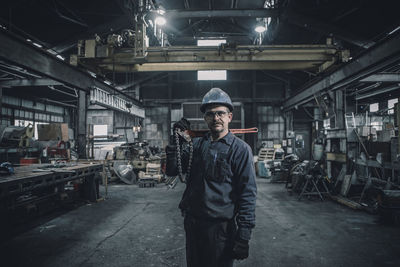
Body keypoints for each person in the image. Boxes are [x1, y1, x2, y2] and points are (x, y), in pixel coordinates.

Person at [166, 88, 257, 267]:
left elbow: (247, 194)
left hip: (220, 229)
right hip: (193, 224)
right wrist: (174, 140)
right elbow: (172, 170)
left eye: (220, 113)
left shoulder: (240, 150)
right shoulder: (197, 146)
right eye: (210, 114)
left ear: (229, 116)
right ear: (205, 118)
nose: (216, 118)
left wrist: (244, 236)